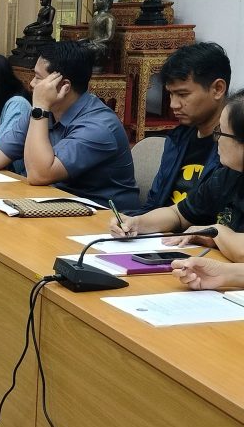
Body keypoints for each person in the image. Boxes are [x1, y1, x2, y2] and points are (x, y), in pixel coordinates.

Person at [111, 88, 244, 262]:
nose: (216, 139)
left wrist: (218, 233)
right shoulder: (227, 176)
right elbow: (179, 215)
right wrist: (137, 223)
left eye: (221, 132)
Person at [24, 40, 138, 209]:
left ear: (63, 86)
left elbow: (39, 174)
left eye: (38, 78)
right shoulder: (50, 112)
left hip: (104, 216)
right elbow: (1, 153)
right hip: (62, 206)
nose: (32, 84)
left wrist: (40, 108)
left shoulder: (98, 126)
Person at [133, 42, 229, 213]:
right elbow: (154, 204)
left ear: (218, 89)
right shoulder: (177, 139)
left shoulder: (234, 147)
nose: (173, 105)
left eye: (183, 94)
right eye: (171, 93)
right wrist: (133, 222)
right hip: (161, 227)